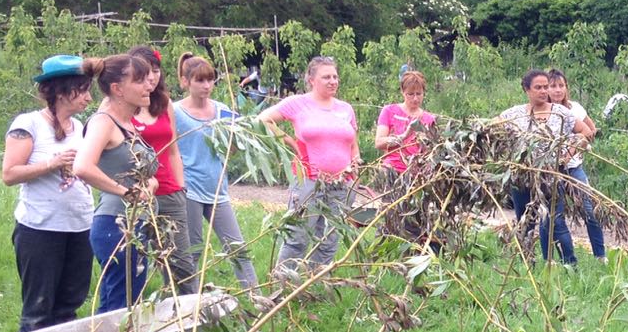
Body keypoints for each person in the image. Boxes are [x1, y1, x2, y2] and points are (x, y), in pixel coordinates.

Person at [1, 54, 96, 332]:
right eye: (83, 90)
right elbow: (9, 174)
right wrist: (51, 164)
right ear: (62, 90)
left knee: (69, 305)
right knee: (38, 309)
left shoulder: (79, 127)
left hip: (80, 227)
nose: (89, 98)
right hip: (40, 229)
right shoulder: (28, 124)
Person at [73, 52, 161, 314]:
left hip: (136, 226)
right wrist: (128, 193)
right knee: (119, 310)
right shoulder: (104, 122)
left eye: (149, 79)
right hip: (116, 227)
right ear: (117, 89)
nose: (149, 85)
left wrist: (151, 185)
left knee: (123, 305)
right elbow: (82, 166)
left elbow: (142, 174)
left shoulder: (129, 124)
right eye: (140, 80)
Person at [258, 55, 360, 280]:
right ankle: (282, 284)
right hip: (309, 180)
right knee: (298, 235)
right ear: (312, 80)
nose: (332, 81)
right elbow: (264, 119)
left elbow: (353, 142)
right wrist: (291, 142)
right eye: (326, 77)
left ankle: (315, 283)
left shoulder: (345, 108)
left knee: (331, 237)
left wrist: (356, 165)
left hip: (342, 183)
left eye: (335, 76)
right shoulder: (298, 103)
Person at [172, 53, 261, 297]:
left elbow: (234, 146)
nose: (206, 86)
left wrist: (237, 139)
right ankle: (185, 302)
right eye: (200, 81)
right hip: (189, 189)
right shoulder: (175, 112)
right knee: (192, 250)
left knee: (237, 247)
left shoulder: (221, 110)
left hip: (218, 189)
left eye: (210, 80)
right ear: (186, 82)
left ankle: (256, 298)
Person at [129, 46, 195, 294]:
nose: (152, 77)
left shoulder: (164, 103)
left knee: (182, 264)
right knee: (139, 263)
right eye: (146, 72)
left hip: (170, 192)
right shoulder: (123, 107)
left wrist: (181, 187)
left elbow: (173, 149)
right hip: (139, 196)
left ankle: (189, 320)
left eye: (156, 71)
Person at [497, 70, 577, 264]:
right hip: (522, 177)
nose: (543, 91)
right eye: (538, 87)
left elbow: (585, 133)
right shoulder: (513, 114)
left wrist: (566, 157)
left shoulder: (561, 113)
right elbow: (494, 128)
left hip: (550, 177)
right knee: (525, 221)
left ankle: (570, 264)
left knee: (555, 221)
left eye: (545, 87)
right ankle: (529, 264)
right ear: (527, 89)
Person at [374, 67, 438, 241]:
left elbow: (430, 151)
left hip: (415, 176)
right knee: (390, 215)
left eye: (419, 94)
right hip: (392, 172)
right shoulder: (390, 111)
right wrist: (401, 137)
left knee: (413, 219)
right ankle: (383, 253)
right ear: (403, 92)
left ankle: (411, 255)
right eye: (410, 94)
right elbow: (379, 142)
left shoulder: (429, 119)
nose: (415, 98)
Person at [549, 69, 607, 261]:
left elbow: (591, 130)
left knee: (589, 209)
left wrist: (574, 148)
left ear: (566, 88)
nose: (557, 90)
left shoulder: (576, 109)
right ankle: (557, 258)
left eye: (561, 86)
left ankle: (600, 256)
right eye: (553, 86)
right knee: (552, 215)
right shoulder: (543, 110)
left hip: (573, 168)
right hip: (549, 170)